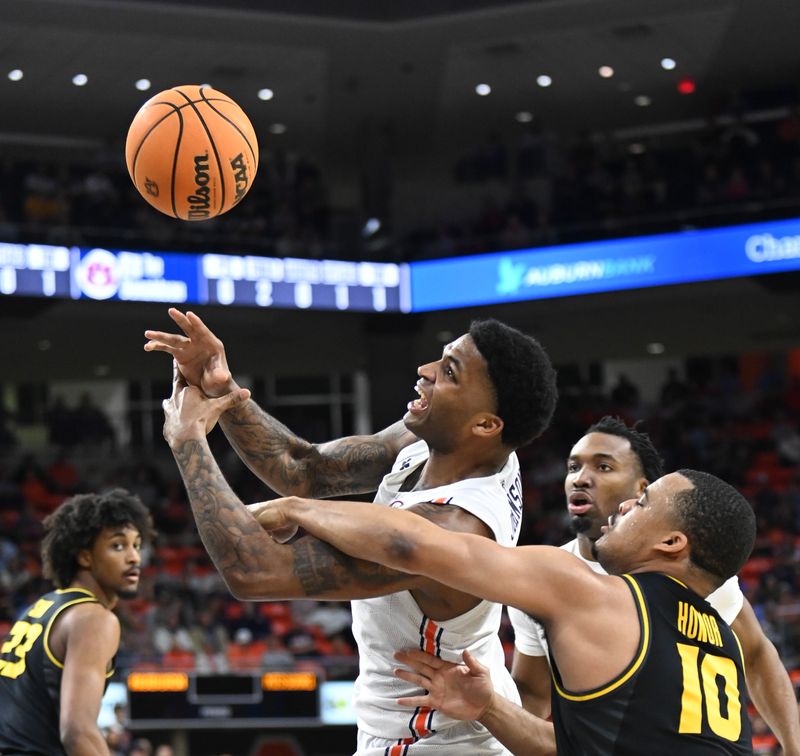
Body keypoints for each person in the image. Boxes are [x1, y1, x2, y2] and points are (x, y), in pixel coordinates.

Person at [146, 308, 558, 755]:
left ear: (485, 424)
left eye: (449, 373)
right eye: (440, 359)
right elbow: (305, 468)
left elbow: (255, 571)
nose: (425, 372)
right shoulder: (448, 441)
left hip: (435, 741)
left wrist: (188, 439)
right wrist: (223, 391)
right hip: (416, 728)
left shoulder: (460, 525)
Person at [251, 469, 758, 755]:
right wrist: (488, 706)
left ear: (672, 542)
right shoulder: (723, 646)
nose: (624, 506)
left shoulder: (596, 594)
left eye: (643, 503)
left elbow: (421, 547)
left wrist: (299, 508)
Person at [507, 416, 800, 751]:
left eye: (603, 467)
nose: (581, 479)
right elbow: (532, 695)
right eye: (573, 467)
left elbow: (758, 653)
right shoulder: (545, 576)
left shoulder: (691, 573)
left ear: (640, 489)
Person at [0, 489, 152, 756]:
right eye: (118, 545)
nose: (134, 558)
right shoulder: (93, 618)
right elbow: (78, 732)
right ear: (85, 556)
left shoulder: (39, 608)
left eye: (136, 545)